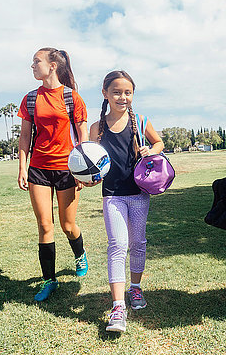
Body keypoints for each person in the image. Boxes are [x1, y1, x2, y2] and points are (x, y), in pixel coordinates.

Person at [88, 70, 164, 333]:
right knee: (117, 245)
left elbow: (159, 143)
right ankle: (118, 306)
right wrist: (88, 178)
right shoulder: (96, 128)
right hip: (112, 195)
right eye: (117, 92)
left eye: (128, 92)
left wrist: (149, 150)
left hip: (139, 193)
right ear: (105, 93)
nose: (123, 97)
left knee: (138, 242)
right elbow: (91, 162)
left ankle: (135, 288)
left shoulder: (140, 121)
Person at [17, 47, 89, 302]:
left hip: (67, 169)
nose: (32, 65)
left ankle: (80, 255)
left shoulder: (72, 98)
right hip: (38, 169)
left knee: (68, 225)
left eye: (36, 61)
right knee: (45, 226)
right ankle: (50, 281)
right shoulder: (30, 99)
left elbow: (83, 139)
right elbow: (25, 136)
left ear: (53, 65)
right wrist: (22, 167)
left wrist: (84, 170)